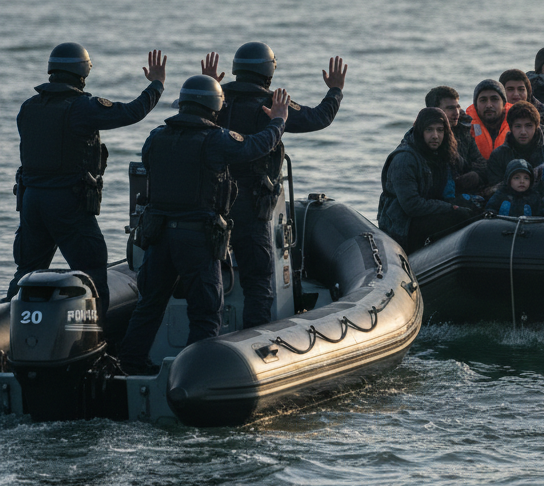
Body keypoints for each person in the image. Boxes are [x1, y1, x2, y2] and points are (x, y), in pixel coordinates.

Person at [117, 78, 289, 375]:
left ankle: (131, 367)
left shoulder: (156, 137)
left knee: (149, 305)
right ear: (213, 108)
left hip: (157, 237)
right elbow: (255, 147)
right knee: (206, 312)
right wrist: (278, 122)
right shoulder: (217, 140)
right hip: (196, 237)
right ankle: (198, 374)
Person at [6, 43, 167, 316]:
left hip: (31, 202)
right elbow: (130, 112)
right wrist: (156, 86)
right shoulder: (81, 107)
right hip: (67, 203)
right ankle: (98, 345)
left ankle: (7, 335)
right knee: (92, 272)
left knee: (26, 273)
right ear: (83, 71)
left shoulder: (28, 107)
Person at [200, 44, 346, 329]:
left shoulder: (217, 100)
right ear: (269, 71)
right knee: (259, 280)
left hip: (210, 201)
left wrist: (210, 86)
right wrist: (335, 90)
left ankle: (207, 338)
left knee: (207, 275)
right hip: (251, 207)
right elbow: (319, 117)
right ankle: (253, 343)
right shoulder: (272, 104)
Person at [378, 108, 478, 255]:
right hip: (403, 225)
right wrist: (451, 208)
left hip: (427, 213)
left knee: (472, 213)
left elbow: (468, 165)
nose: (435, 136)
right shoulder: (405, 159)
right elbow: (412, 206)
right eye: (429, 130)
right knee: (458, 217)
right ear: (420, 131)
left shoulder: (442, 153)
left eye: (440, 130)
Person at [425, 85, 487, 192]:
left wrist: (475, 175)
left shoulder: (463, 130)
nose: (456, 112)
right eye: (450, 108)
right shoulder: (423, 136)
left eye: (457, 107)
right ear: (434, 110)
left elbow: (481, 163)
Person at [485, 101, 544, 187]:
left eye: (528, 126)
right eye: (518, 126)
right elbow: (495, 190)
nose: (523, 132)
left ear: (536, 127)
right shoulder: (498, 156)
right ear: (511, 128)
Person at [499, 68, 544, 142]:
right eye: (510, 89)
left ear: (528, 91)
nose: (516, 94)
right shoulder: (495, 119)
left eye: (521, 89)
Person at [466, 79, 509, 160]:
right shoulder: (465, 128)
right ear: (476, 105)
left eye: (494, 99)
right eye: (483, 100)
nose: (489, 105)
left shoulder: (517, 124)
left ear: (504, 103)